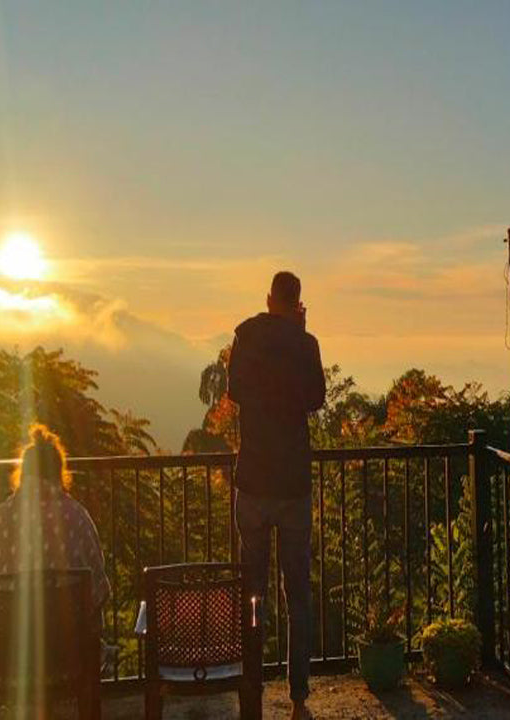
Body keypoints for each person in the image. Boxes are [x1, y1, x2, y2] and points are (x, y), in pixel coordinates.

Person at [228, 271, 325, 720]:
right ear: (297, 302)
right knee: (297, 594)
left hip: (252, 481)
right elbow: (315, 398)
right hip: (293, 485)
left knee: (253, 592)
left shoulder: (246, 335)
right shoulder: (306, 344)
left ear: (269, 299)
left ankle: (252, 692)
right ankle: (298, 697)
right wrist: (297, 336)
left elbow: (234, 391)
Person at [0, 423, 111, 614]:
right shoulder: (78, 518)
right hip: (68, 632)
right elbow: (98, 591)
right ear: (59, 474)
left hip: (6, 631)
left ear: (22, 474)